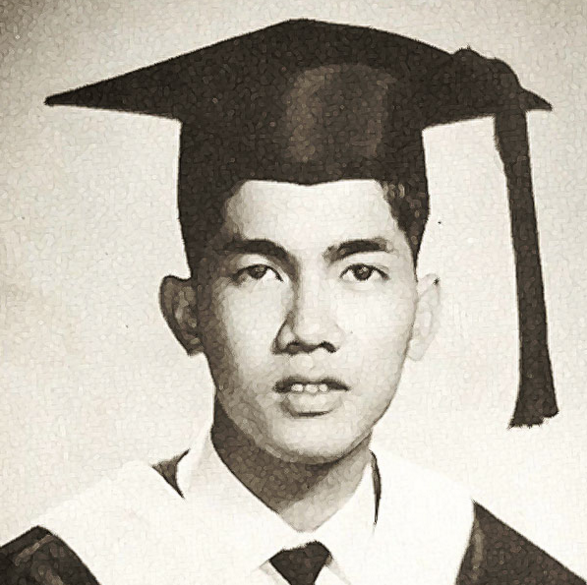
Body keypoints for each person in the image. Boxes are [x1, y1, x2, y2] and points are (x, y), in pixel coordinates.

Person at [0, 18, 583, 585]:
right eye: (259, 272)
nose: (307, 327)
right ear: (187, 313)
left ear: (422, 315)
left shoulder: (501, 573)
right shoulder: (54, 574)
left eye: (360, 271)